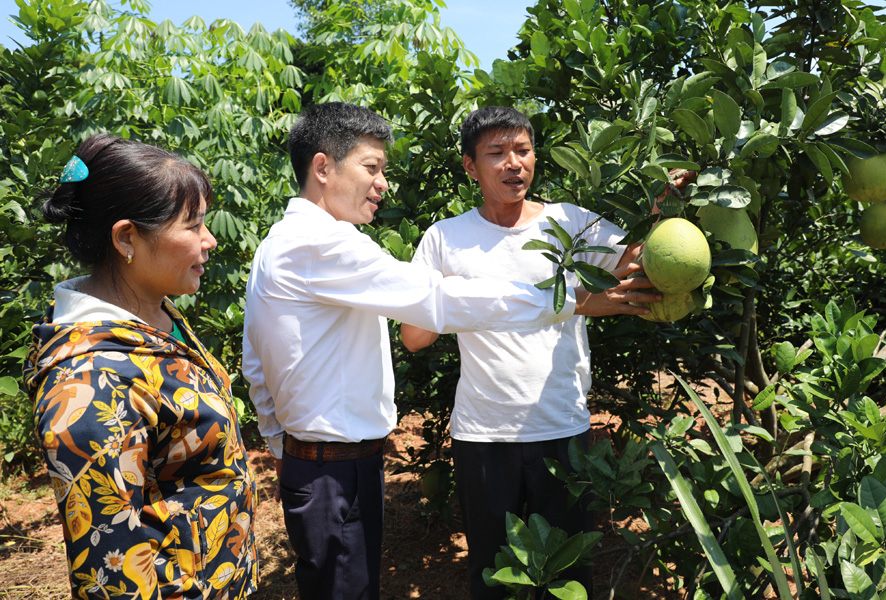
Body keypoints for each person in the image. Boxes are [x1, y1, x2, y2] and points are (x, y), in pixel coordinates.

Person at [241, 101, 659, 600]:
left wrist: (276, 443)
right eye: (371, 168)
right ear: (324, 167)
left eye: (523, 150)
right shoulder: (320, 245)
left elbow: (254, 359)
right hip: (337, 467)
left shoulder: (288, 240)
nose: (383, 184)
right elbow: (433, 301)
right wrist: (572, 298)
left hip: (329, 463)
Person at [400, 106, 693, 599]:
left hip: (562, 427)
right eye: (497, 153)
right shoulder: (445, 239)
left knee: (569, 572)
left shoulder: (571, 224)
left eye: (523, 150)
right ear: (471, 167)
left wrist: (662, 209)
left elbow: (632, 266)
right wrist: (460, 298)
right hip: (483, 434)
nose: (514, 163)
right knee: (494, 573)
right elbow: (414, 336)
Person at [23, 133, 258, 600]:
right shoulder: (91, 384)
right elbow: (111, 573)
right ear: (127, 237)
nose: (209, 240)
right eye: (192, 226)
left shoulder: (156, 314)